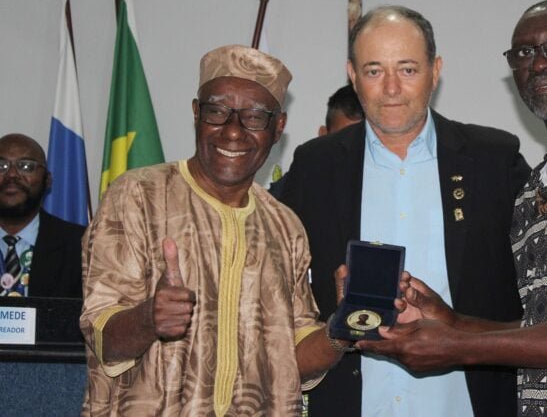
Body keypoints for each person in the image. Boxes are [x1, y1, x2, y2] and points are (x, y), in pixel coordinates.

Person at [279, 5, 547, 416]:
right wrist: (452, 323)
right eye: (526, 53)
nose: (540, 63)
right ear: (353, 76)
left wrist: (456, 344)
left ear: (435, 72)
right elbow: (542, 314)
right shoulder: (545, 180)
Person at [279, 6, 529, 416]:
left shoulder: (493, 159)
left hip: (468, 402)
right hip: (352, 401)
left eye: (408, 69)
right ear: (352, 75)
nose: (391, 88)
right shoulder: (315, 166)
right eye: (374, 70)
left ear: (435, 71)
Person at [80, 45, 347, 416]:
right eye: (217, 111)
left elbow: (291, 360)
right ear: (196, 113)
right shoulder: (139, 196)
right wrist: (149, 318)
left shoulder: (285, 227)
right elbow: (102, 336)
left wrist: (340, 332)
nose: (233, 131)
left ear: (278, 127)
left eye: (254, 116)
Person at [0, 133, 83, 298]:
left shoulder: (82, 245)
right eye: (1, 166)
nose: (12, 175)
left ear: (48, 180)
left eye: (26, 166)